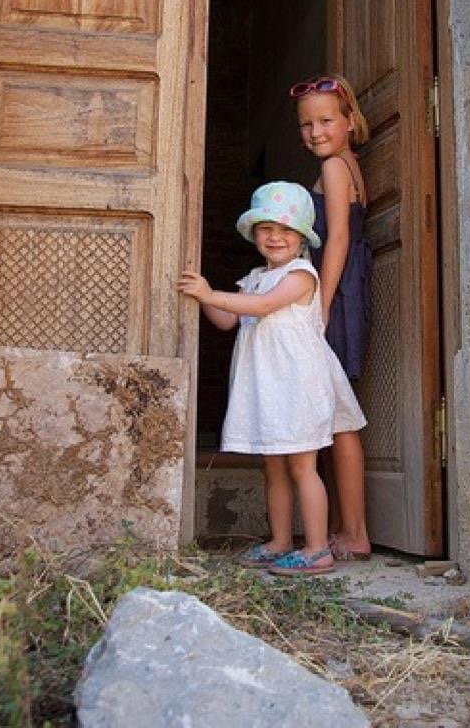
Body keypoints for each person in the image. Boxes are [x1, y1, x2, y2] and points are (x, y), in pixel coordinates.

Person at [178, 181, 366, 576]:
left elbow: (263, 306)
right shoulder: (252, 279)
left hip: (296, 387)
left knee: (302, 467)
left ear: (302, 237)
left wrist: (212, 295)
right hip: (266, 389)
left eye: (286, 230)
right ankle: (280, 541)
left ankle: (317, 548)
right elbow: (228, 320)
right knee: (274, 467)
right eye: (266, 228)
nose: (275, 237)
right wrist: (201, 297)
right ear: (254, 233)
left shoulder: (302, 275)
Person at [289, 74, 372, 561]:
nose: (315, 131)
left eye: (325, 121)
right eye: (306, 124)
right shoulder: (348, 164)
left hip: (335, 296)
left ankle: (354, 533)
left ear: (350, 121)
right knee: (337, 411)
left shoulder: (336, 168)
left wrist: (319, 306)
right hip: (345, 290)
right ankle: (346, 529)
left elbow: (337, 237)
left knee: (340, 417)